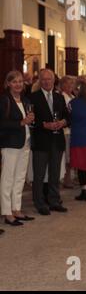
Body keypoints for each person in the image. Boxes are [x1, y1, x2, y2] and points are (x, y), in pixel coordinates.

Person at [29, 69, 70, 216]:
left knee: (55, 173)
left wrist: (63, 122)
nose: (46, 82)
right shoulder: (33, 97)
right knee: (39, 175)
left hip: (57, 140)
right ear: (40, 81)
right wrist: (44, 125)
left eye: (49, 79)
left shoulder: (59, 97)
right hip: (41, 141)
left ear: (54, 81)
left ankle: (54, 201)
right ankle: (40, 203)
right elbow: (31, 120)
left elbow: (67, 116)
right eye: (43, 79)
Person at [0, 71, 35, 226]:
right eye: (14, 82)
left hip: (25, 143)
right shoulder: (4, 100)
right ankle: (7, 212)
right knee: (8, 179)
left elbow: (28, 121)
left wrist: (31, 121)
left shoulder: (26, 100)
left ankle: (16, 209)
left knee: (20, 178)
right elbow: (2, 123)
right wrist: (21, 123)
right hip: (10, 144)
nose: (18, 84)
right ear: (8, 84)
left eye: (20, 81)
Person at [59, 76, 76, 189]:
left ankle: (70, 177)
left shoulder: (73, 96)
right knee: (67, 156)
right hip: (65, 130)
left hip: (74, 129)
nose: (70, 86)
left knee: (71, 155)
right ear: (62, 85)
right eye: (68, 84)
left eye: (71, 84)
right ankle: (66, 178)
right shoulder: (61, 97)